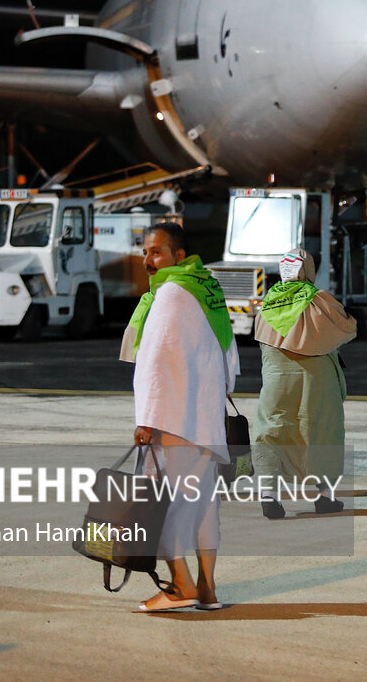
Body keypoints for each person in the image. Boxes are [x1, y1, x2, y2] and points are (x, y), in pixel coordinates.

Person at [120, 222, 239, 612]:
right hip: (205, 419)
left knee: (163, 505)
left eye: (156, 252)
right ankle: (207, 590)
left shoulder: (170, 293)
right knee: (203, 507)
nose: (148, 260)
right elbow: (229, 355)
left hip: (175, 421)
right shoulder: (207, 289)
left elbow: (155, 361)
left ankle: (181, 586)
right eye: (145, 252)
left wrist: (147, 418)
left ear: (178, 256)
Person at [252, 248, 358, 519]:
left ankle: (269, 496)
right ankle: (324, 496)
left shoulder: (268, 303)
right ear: (307, 270)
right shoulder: (319, 301)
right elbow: (348, 328)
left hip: (276, 381)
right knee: (322, 431)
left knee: (272, 430)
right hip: (317, 381)